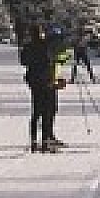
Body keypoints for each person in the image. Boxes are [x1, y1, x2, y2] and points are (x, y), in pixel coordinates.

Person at [19, 22, 63, 152]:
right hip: (46, 81)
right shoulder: (45, 45)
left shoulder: (27, 46)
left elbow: (23, 62)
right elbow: (52, 59)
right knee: (47, 111)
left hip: (33, 82)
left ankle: (33, 141)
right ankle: (45, 142)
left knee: (36, 111)